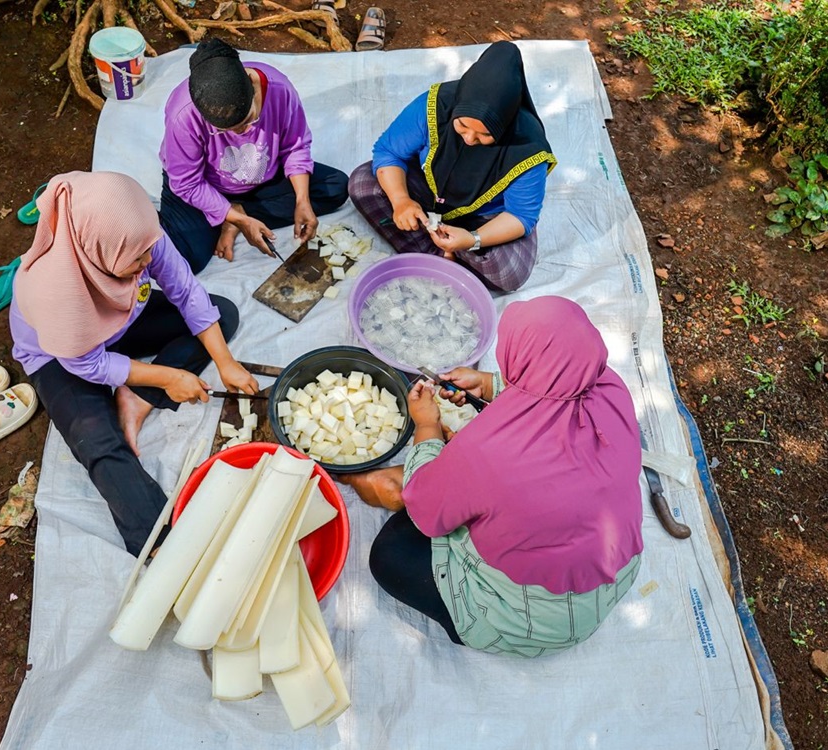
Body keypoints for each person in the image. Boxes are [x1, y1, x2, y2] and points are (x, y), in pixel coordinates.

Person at [343, 297, 643, 656]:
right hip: (610, 576)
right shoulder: (611, 387)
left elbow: (427, 512)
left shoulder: (487, 452)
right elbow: (555, 387)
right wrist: (487, 384)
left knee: (391, 553)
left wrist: (427, 425)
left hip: (531, 621)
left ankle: (483, 622)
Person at [9, 171, 259, 555]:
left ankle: (136, 396)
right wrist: (168, 376)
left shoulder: (138, 236)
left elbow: (185, 289)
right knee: (99, 443)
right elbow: (87, 365)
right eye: (136, 260)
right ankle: (162, 542)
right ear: (98, 255)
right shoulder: (56, 292)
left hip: (120, 321)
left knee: (219, 315)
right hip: (63, 356)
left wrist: (224, 363)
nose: (148, 263)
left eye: (148, 251)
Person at [348, 41, 556, 293]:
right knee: (361, 183)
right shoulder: (435, 106)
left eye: (485, 135)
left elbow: (521, 216)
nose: (469, 140)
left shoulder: (528, 148)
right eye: (461, 127)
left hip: (485, 217)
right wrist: (401, 200)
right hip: (429, 192)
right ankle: (440, 254)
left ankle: (441, 252)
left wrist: (473, 239)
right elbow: (389, 152)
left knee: (510, 272)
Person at [158, 38, 349, 273]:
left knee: (336, 186)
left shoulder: (280, 89)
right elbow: (186, 182)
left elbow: (295, 146)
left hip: (261, 177)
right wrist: (234, 217)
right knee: (186, 258)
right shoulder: (183, 115)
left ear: (251, 83)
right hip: (205, 186)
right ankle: (229, 214)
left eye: (249, 120)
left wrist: (302, 201)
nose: (242, 133)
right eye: (225, 130)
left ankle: (238, 212)